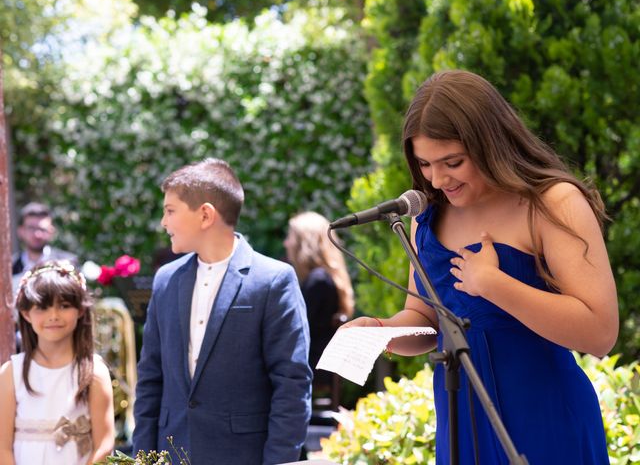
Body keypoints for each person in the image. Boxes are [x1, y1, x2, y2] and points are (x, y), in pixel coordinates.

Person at [342, 70, 618, 464]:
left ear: (490, 143)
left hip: (547, 420)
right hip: (462, 423)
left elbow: (600, 332)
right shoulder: (426, 216)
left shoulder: (553, 202)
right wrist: (382, 332)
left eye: (452, 162)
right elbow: (426, 319)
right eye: (424, 164)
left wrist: (494, 284)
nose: (437, 179)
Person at [132, 158, 312, 465]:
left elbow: (291, 384)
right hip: (172, 455)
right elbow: (151, 378)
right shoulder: (166, 280)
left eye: (170, 210)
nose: (164, 221)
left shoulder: (273, 280)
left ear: (205, 215)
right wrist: (143, 459)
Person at [0, 261, 116, 465]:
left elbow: (104, 443)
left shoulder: (93, 371)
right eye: (42, 308)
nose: (53, 316)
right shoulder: (11, 372)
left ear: (80, 310)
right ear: (26, 314)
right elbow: (3, 446)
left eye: (64, 306)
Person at [284, 211, 355, 394]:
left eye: (291, 237)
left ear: (305, 243)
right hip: (320, 364)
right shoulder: (325, 278)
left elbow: (297, 328)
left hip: (311, 365)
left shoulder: (318, 281)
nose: (286, 243)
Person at [12, 202, 78, 293]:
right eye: (31, 228)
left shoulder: (68, 263)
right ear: (21, 231)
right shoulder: (9, 267)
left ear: (51, 231)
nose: (37, 234)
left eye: (42, 229)